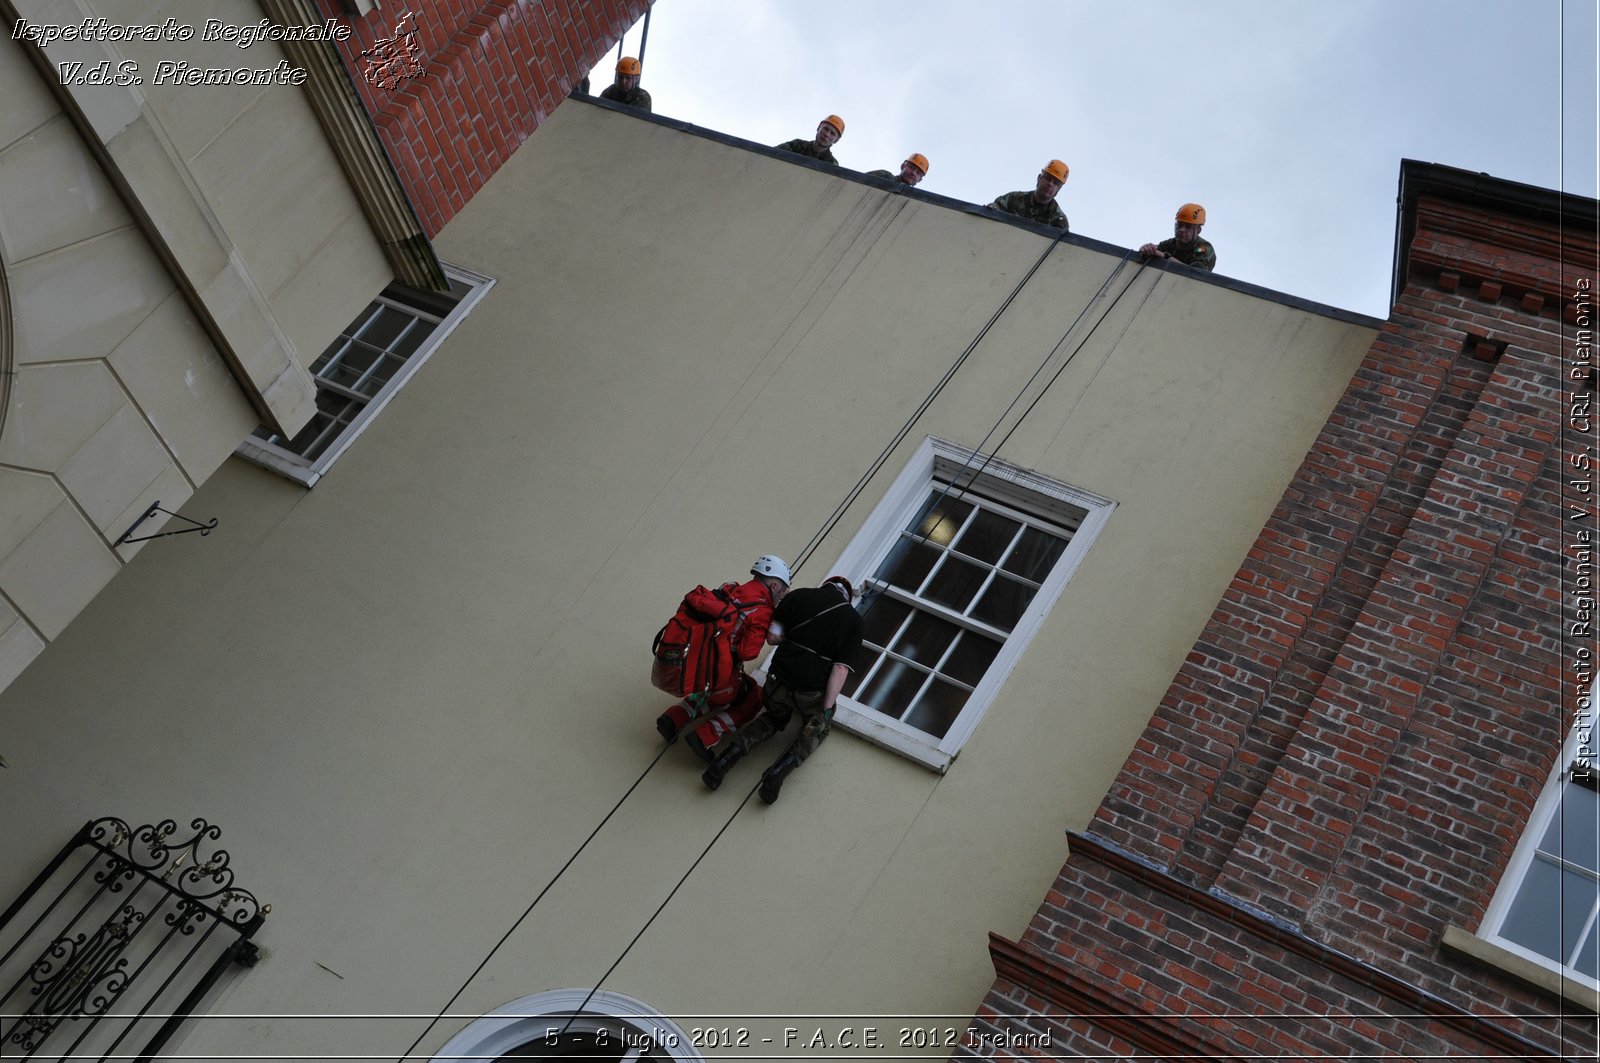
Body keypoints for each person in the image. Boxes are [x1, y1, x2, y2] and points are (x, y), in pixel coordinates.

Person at [701, 575, 864, 804]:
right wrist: (825, 711)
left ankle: (723, 761)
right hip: (810, 692)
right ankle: (778, 773)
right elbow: (839, 670)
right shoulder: (854, 621)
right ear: (847, 595)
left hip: (777, 682)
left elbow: (773, 637)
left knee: (773, 718)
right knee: (816, 729)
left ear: (825, 586)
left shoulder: (796, 597)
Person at [655, 555, 791, 759]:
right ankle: (705, 736)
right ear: (773, 585)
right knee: (752, 696)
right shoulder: (762, 611)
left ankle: (673, 719)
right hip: (720, 669)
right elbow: (748, 652)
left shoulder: (731, 588)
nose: (782, 596)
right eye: (782, 590)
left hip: (698, 660)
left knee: (711, 690)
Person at [989, 159, 1070, 230]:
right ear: (1039, 177)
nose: (1050, 184)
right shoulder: (1014, 199)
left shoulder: (1059, 220)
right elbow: (993, 209)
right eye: (1048, 178)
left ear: (1059, 189)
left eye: (1055, 183)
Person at [1140, 203, 1216, 271]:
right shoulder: (1169, 244)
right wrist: (1145, 248)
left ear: (1198, 231)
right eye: (1179, 224)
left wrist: (1165, 257)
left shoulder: (1202, 248)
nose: (1182, 230)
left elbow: (1196, 273)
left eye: (1188, 227)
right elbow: (1150, 252)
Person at [776, 115, 845, 164]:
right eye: (826, 129)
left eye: (832, 133)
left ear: (836, 140)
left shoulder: (831, 164)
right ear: (819, 128)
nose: (827, 134)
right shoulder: (795, 146)